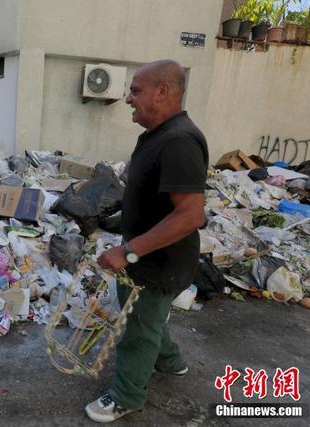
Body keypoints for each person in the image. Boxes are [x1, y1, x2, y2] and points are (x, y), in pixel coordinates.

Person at [85, 59, 208, 423]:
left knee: (139, 329)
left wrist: (128, 251)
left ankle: (127, 396)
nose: (128, 99)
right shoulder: (160, 136)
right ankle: (171, 362)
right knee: (149, 319)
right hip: (151, 256)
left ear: (162, 91)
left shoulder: (179, 141)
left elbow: (191, 215)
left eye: (136, 91)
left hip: (158, 262)